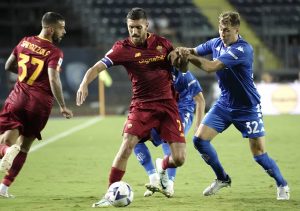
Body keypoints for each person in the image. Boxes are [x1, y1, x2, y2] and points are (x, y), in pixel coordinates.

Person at [76, 8, 186, 207]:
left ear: (146, 26)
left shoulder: (163, 44)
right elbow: (97, 67)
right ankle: (110, 194)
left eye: (137, 27)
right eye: (130, 27)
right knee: (127, 146)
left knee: (179, 158)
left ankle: (162, 165)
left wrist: (181, 58)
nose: (134, 31)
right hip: (142, 105)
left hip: (168, 105)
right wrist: (84, 83)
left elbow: (180, 65)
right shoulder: (122, 48)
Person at [176, 11, 290, 200]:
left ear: (237, 29)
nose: (223, 33)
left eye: (227, 30)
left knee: (259, 154)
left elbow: (211, 66)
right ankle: (222, 178)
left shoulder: (243, 49)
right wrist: (182, 50)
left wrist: (188, 58)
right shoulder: (215, 43)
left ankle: (282, 184)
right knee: (199, 141)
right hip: (225, 104)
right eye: (221, 29)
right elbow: (195, 50)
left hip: (248, 108)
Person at [0, 12, 73, 198]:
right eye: (61, 27)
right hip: (39, 106)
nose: (64, 31)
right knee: (24, 147)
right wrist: (63, 106)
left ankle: (7, 151)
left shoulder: (24, 42)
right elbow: (53, 78)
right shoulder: (55, 52)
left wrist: (25, 74)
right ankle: (4, 188)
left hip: (18, 97)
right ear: (50, 29)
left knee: (5, 140)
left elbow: (8, 66)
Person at [134, 67, 205, 198]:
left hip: (182, 111)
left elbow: (200, 99)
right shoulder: (153, 71)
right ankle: (154, 177)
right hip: (162, 109)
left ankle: (169, 183)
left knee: (171, 143)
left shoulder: (185, 75)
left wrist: (198, 126)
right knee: (134, 135)